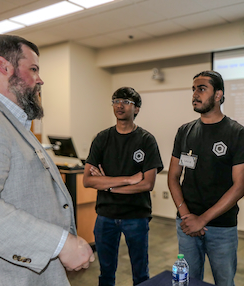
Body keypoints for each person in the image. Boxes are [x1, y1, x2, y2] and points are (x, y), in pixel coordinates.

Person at [0, 35, 94, 286]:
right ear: (4, 66)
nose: (40, 79)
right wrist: (60, 243)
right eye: (33, 69)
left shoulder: (12, 121)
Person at [167, 70, 244, 286]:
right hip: (187, 224)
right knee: (188, 282)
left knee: (224, 282)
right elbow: (173, 177)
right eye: (193, 89)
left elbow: (240, 187)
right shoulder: (185, 131)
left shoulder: (237, 133)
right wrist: (186, 215)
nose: (195, 95)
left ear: (218, 95)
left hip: (221, 227)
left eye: (201, 89)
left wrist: (203, 219)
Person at [83, 87, 163, 286]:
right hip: (105, 216)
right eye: (116, 100)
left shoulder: (146, 140)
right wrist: (127, 180)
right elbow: (88, 180)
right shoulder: (102, 138)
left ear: (136, 109)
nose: (120, 105)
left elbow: (147, 183)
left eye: (126, 102)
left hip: (136, 216)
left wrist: (107, 184)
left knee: (141, 274)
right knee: (106, 274)